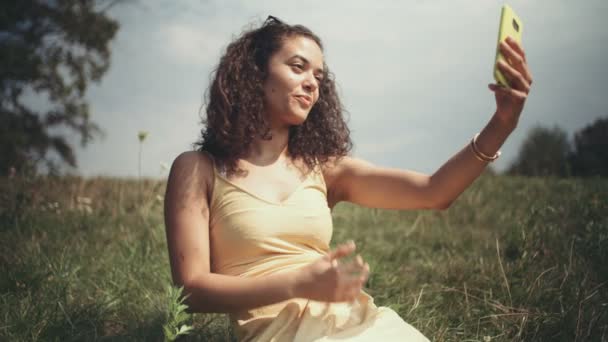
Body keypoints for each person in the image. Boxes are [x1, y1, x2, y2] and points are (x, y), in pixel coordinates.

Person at [163, 15, 532, 341]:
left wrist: (501, 125)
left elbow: (435, 192)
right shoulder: (198, 169)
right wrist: (296, 283)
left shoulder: (324, 168)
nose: (312, 83)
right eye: (298, 67)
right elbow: (191, 290)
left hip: (366, 326)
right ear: (256, 73)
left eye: (318, 76)